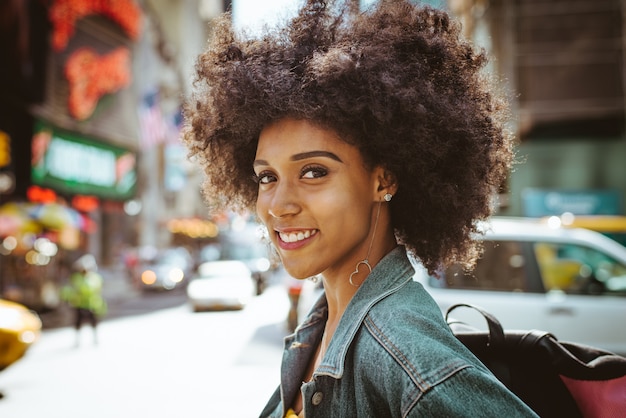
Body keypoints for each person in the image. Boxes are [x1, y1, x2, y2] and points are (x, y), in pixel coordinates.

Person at [182, 0, 538, 416]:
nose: (278, 205)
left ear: (382, 180)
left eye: (314, 172)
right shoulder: (319, 327)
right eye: (267, 177)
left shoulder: (406, 355)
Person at [61, 254, 107, 347]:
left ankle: (95, 339)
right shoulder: (76, 278)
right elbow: (70, 290)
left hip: (92, 304)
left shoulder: (95, 278)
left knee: (94, 322)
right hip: (80, 304)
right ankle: (77, 341)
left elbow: (96, 289)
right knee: (78, 322)